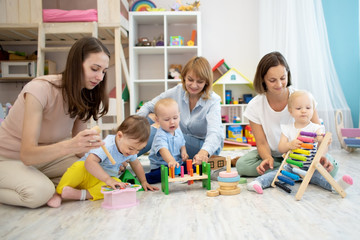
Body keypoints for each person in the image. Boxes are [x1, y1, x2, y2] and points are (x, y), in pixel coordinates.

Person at [0, 37, 113, 208]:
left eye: (103, 71)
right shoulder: (39, 89)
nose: (99, 77)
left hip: (46, 159)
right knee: (39, 193)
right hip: (9, 159)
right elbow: (27, 155)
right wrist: (71, 146)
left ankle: (42, 182)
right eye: (95, 69)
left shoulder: (83, 95)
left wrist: (108, 159)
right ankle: (44, 186)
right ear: (76, 64)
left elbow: (80, 151)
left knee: (95, 173)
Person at [235, 51, 338, 177]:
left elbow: (320, 134)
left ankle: (287, 172)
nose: (279, 84)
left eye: (283, 78)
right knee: (242, 166)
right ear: (263, 80)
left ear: (288, 75)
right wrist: (267, 158)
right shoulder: (254, 106)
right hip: (274, 155)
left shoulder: (303, 98)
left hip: (303, 155)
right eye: (272, 80)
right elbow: (261, 143)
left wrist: (321, 155)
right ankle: (298, 172)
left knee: (332, 169)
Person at [246, 90, 353, 194]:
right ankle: (258, 182)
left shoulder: (316, 128)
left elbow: (320, 138)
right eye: (298, 108)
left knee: (321, 177)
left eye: (308, 108)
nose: (304, 111)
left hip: (311, 165)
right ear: (291, 111)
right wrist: (289, 145)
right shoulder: (287, 128)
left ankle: (336, 187)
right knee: (276, 174)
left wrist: (324, 140)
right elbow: (281, 148)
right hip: (292, 165)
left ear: (313, 109)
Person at [47, 115, 159, 207]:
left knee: (118, 186)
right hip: (87, 173)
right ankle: (58, 193)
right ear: (120, 136)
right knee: (78, 167)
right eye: (131, 148)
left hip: (102, 181)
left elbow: (136, 164)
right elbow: (89, 162)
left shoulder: (131, 151)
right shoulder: (108, 145)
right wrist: (108, 179)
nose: (134, 152)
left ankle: (82, 195)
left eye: (138, 150)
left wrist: (143, 181)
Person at [137, 56, 224, 165]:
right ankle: (125, 150)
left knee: (158, 131)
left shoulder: (213, 100)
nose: (194, 85)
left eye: (200, 82)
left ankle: (126, 157)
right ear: (184, 78)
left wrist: (203, 152)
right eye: (190, 80)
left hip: (204, 147)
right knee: (149, 119)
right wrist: (134, 124)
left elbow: (214, 133)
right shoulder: (178, 91)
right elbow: (149, 106)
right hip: (181, 141)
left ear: (206, 82)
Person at [145, 98, 189, 184]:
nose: (172, 122)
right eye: (167, 119)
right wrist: (171, 161)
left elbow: (182, 143)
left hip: (177, 165)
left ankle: (179, 172)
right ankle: (145, 177)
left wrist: (184, 152)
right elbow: (163, 150)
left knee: (192, 167)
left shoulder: (178, 131)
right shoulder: (160, 135)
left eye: (175, 118)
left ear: (179, 116)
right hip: (162, 166)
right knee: (163, 174)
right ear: (158, 120)